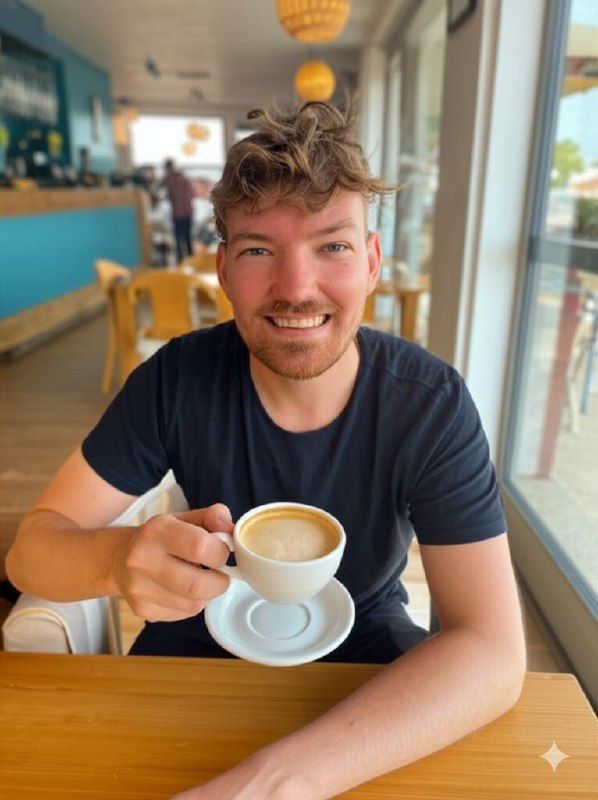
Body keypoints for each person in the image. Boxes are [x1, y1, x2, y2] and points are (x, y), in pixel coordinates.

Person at [7, 101, 526, 800]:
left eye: (333, 246)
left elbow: (493, 649)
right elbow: (30, 549)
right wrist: (114, 560)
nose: (296, 288)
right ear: (222, 267)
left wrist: (277, 783)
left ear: (371, 262)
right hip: (189, 655)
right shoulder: (175, 379)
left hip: (368, 668)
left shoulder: (428, 403)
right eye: (258, 249)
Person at [162, 158, 195, 262]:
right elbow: (191, 193)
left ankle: (181, 263)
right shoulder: (184, 178)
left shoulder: (169, 180)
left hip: (178, 214)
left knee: (178, 240)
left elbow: (161, 191)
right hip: (188, 212)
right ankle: (192, 261)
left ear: (168, 168)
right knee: (187, 238)